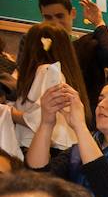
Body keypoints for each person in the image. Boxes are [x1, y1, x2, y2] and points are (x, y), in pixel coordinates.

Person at [37, 0, 108, 111]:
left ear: (72, 14)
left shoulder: (85, 45)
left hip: (83, 113)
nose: (55, 22)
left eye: (60, 16)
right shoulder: (36, 46)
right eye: (48, 17)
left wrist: (99, 22)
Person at [13, 22, 91, 150]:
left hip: (42, 147)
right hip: (55, 148)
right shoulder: (59, 73)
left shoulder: (47, 71)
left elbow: (40, 118)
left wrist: (9, 112)